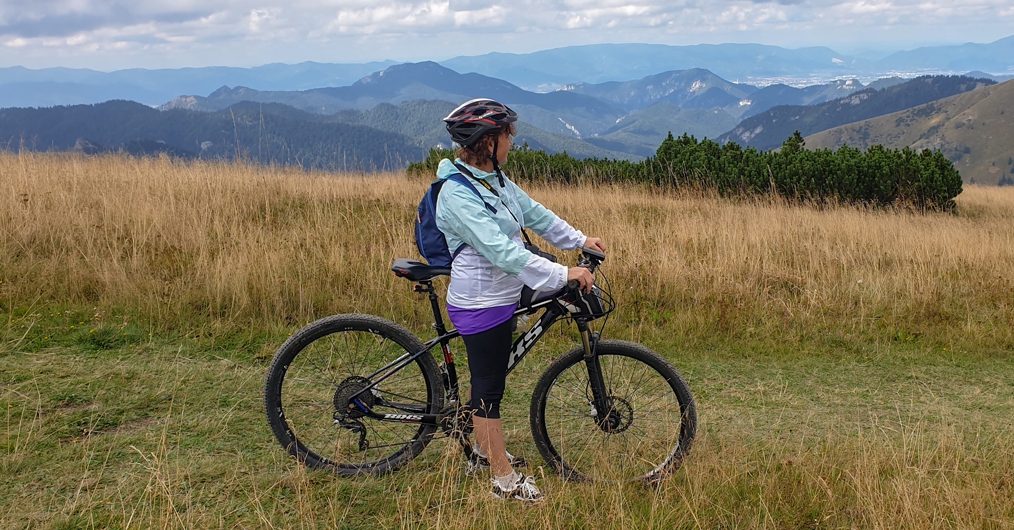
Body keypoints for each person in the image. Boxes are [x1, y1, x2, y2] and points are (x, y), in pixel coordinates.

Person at [434, 98, 606, 502]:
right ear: (487, 141)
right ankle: (503, 480)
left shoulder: (494, 179)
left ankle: (479, 446)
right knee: (488, 392)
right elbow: (502, 252)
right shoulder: (457, 194)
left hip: (503, 292)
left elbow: (537, 215)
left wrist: (579, 239)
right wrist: (565, 272)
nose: (512, 140)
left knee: (489, 380)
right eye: (507, 134)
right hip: (481, 303)